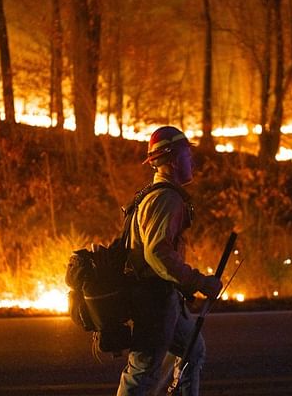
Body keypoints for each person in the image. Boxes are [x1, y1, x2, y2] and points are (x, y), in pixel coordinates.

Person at [117, 126, 223, 396]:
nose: (193, 162)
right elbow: (157, 253)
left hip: (165, 299)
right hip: (154, 303)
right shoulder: (166, 198)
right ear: (174, 159)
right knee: (143, 374)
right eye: (188, 155)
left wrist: (183, 288)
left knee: (192, 351)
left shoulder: (156, 195)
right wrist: (197, 281)